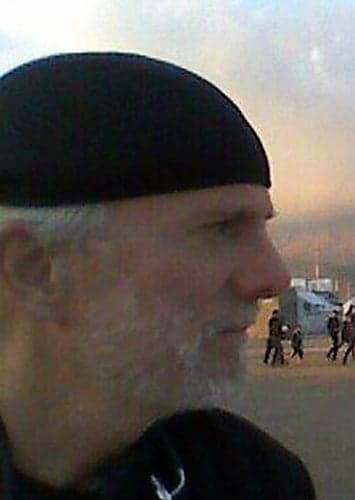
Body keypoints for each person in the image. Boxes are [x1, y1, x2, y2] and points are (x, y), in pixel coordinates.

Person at [0, 53, 314, 498]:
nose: (273, 277)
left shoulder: (253, 477)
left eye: (262, 227)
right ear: (36, 269)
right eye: (220, 228)